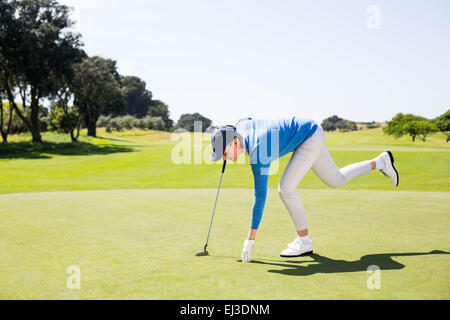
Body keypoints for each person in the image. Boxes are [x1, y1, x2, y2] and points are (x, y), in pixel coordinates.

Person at [210, 117, 399, 263]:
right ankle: (381, 162)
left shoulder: (259, 151)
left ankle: (304, 241)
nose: (225, 159)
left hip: (309, 136)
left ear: (234, 142)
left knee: (285, 189)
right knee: (336, 180)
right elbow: (246, 120)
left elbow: (260, 197)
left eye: (224, 154)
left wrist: (250, 240)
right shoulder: (241, 127)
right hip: (309, 131)